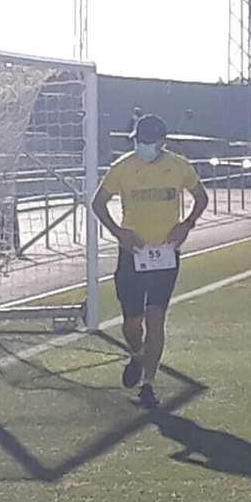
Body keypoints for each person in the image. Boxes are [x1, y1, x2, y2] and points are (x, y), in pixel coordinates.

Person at [90, 113, 209, 409]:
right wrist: (119, 233)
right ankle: (137, 354)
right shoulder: (123, 168)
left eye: (148, 142)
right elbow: (98, 202)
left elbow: (201, 197)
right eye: (138, 141)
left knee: (156, 317)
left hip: (165, 254)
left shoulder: (178, 166)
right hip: (133, 253)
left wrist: (187, 225)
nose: (143, 147)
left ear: (161, 142)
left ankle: (149, 384)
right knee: (133, 322)